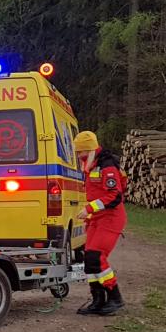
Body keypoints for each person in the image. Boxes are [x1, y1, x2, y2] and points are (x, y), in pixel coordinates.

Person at [74, 130, 126, 316]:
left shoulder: (107, 166)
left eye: (81, 152)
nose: (79, 156)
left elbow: (114, 195)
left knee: (97, 257)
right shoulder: (91, 164)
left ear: (90, 149)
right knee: (88, 260)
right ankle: (98, 300)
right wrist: (90, 213)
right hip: (97, 218)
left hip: (111, 218)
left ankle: (115, 297)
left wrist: (89, 209)